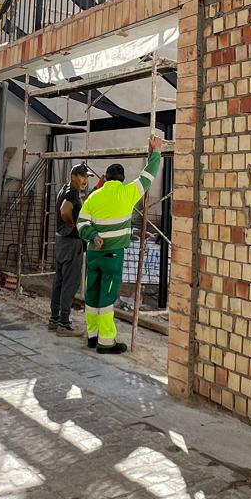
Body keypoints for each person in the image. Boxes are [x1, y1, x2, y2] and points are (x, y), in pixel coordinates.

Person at [77, 135, 163, 355]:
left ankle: (92, 335)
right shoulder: (127, 193)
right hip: (113, 256)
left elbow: (81, 223)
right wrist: (156, 152)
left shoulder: (94, 197)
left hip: (94, 254)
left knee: (92, 294)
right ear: (122, 179)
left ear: (105, 179)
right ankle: (106, 342)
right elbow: (148, 176)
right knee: (106, 298)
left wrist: (93, 234)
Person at [48, 163, 95, 337]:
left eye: (87, 177)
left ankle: (54, 319)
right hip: (71, 242)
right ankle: (64, 323)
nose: (85, 180)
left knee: (59, 281)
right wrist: (71, 223)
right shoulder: (73, 192)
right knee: (70, 283)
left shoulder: (64, 189)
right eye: (82, 176)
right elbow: (65, 210)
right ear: (73, 175)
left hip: (61, 241)